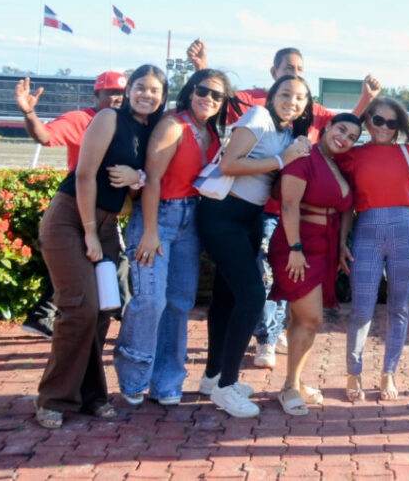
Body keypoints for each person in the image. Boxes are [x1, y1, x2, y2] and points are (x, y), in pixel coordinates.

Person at [187, 39, 381, 369]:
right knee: (255, 287)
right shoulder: (258, 108)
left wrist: (366, 100)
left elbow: (342, 128)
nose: (293, 92)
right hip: (238, 212)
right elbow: (220, 101)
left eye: (300, 73)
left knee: (244, 288)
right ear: (273, 73)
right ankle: (244, 359)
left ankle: (235, 360)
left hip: (267, 211)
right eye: (288, 71)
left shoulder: (295, 121)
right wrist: (201, 67)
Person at [34, 64, 168, 429]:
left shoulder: (151, 129)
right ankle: (54, 398)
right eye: (141, 87)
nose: (147, 94)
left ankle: (91, 395)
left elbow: (149, 177)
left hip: (107, 224)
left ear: (163, 95)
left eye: (155, 90)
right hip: (71, 220)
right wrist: (90, 232)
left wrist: (137, 177)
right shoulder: (110, 117)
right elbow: (84, 173)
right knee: (79, 308)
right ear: (130, 90)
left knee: (102, 311)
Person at [195, 74, 314, 418]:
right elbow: (230, 163)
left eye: (300, 98)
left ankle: (213, 376)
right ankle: (227, 387)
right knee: (252, 296)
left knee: (227, 297)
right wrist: (283, 161)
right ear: (273, 94)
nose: (292, 101)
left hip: (248, 218)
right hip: (222, 214)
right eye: (286, 94)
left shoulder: (287, 132)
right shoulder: (258, 118)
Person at [113, 69, 230, 406]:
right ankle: (134, 376)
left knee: (179, 304)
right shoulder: (172, 125)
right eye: (202, 90)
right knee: (151, 299)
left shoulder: (213, 133)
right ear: (190, 92)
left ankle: (167, 381)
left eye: (216, 95)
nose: (208, 98)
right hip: (160, 218)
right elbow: (151, 180)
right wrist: (150, 231)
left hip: (192, 223)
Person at [337, 98, 409, 402]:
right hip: (367, 231)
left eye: (391, 123)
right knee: (361, 308)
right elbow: (344, 203)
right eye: (377, 120)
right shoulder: (353, 156)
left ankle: (389, 372)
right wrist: (340, 242)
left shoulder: (408, 151)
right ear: (368, 121)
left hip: (405, 232)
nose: (383, 128)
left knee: (399, 307)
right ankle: (353, 372)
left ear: (398, 126)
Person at [15, 71, 127, 339]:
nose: (116, 97)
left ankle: (43, 316)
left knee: (100, 263)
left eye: (121, 92)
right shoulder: (82, 119)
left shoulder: (128, 122)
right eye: (110, 91)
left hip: (106, 208)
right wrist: (30, 114)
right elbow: (45, 136)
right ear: (96, 94)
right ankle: (125, 313)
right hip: (78, 206)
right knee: (114, 262)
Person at [267, 113, 362, 415]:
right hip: (297, 247)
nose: (345, 139)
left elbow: (346, 209)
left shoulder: (339, 166)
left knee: (302, 320)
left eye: (352, 138)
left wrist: (342, 243)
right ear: (327, 127)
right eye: (341, 130)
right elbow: (288, 204)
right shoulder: (304, 156)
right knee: (311, 319)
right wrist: (295, 248)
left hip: (325, 249)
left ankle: (293, 381)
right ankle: (289, 387)